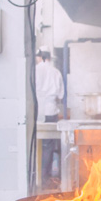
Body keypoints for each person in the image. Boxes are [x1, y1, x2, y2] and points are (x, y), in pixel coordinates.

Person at [35, 49, 65, 187]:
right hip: (51, 111)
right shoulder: (55, 72)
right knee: (49, 146)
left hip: (37, 112)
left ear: (41, 57)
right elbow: (60, 95)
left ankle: (38, 177)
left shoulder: (34, 70)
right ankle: (48, 178)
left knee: (38, 145)